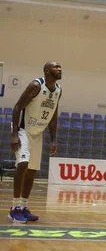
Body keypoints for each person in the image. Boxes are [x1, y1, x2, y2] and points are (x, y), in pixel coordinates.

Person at [9, 62, 62, 223]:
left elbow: (53, 116)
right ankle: (14, 207)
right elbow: (17, 107)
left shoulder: (58, 90)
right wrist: (14, 135)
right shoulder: (36, 86)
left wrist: (53, 140)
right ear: (47, 71)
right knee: (23, 164)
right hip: (23, 130)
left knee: (32, 171)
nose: (59, 69)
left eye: (60, 67)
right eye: (56, 67)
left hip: (38, 133)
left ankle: (24, 206)